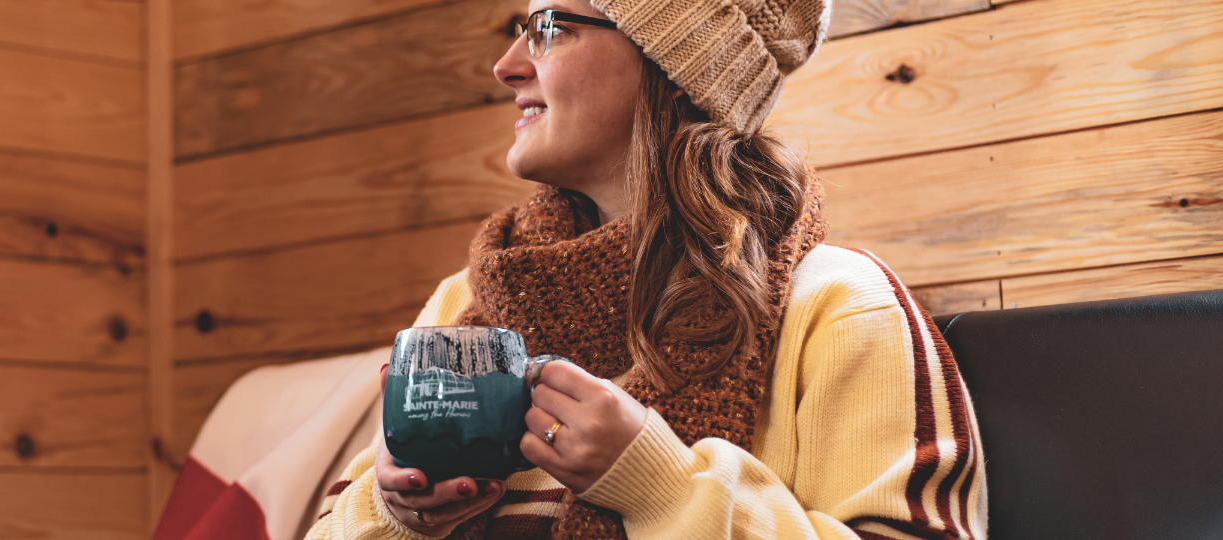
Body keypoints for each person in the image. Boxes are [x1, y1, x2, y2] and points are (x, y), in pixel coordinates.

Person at [304, 0, 986, 538]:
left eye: (547, 28)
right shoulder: (467, 303)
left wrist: (659, 486)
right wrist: (393, 516)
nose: (508, 65)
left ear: (673, 62)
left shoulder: (839, 304)